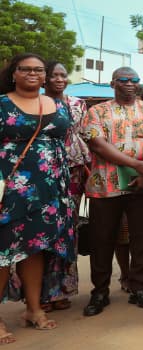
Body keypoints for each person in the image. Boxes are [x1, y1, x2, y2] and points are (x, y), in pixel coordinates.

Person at [0, 53, 77, 342]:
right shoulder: (2, 104)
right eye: (25, 69)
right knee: (3, 252)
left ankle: (33, 309)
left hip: (50, 188)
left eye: (38, 70)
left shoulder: (56, 104)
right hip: (11, 188)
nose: (32, 74)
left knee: (35, 249)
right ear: (13, 73)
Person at [82, 66, 143, 317]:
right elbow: (97, 144)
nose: (129, 84)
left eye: (134, 80)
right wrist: (137, 165)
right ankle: (100, 291)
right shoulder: (97, 111)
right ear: (112, 83)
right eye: (123, 80)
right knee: (102, 240)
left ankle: (139, 287)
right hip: (106, 185)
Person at [39, 60, 91, 312]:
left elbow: (86, 138)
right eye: (54, 75)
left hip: (73, 174)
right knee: (41, 231)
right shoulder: (32, 104)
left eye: (63, 75)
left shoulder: (78, 104)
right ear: (44, 79)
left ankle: (60, 290)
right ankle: (38, 293)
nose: (60, 79)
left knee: (68, 232)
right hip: (40, 175)